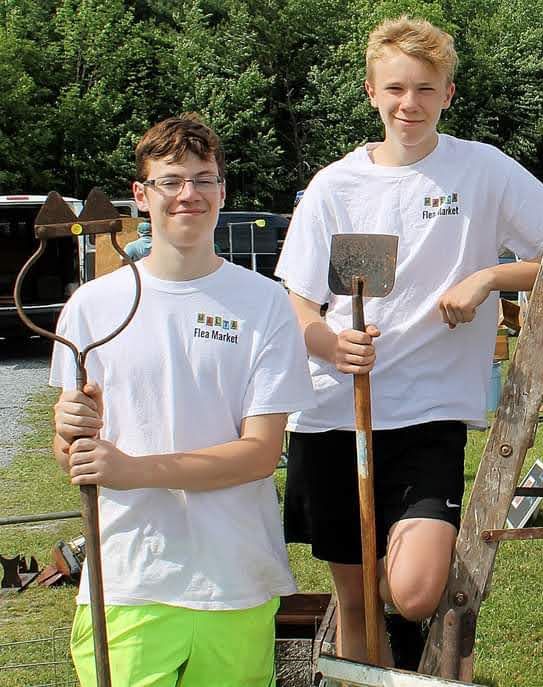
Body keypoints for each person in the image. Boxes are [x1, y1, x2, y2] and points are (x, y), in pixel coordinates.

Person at [274, 15, 543, 667]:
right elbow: (298, 301)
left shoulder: (482, 171)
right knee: (357, 600)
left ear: (448, 93)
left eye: (423, 89)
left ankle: (407, 642)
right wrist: (331, 347)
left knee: (413, 591)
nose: (407, 104)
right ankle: (375, 672)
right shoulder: (337, 187)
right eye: (394, 89)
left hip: (429, 415)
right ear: (370, 93)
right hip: (337, 413)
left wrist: (489, 278)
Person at [50, 114, 314, 686]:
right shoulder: (92, 308)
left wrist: (132, 469)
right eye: (171, 180)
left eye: (203, 178)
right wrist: (68, 430)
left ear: (222, 191)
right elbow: (75, 451)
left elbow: (260, 454)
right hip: (128, 579)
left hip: (236, 577)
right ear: (142, 197)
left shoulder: (265, 304)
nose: (188, 194)